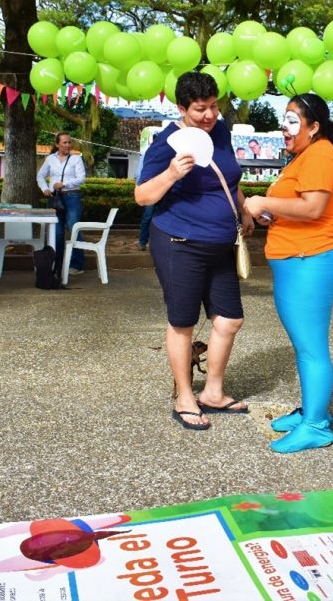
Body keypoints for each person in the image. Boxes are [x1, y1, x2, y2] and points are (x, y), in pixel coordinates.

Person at [136, 72, 253, 431]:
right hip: (178, 242)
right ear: (182, 108)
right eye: (201, 109)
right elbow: (142, 196)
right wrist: (172, 174)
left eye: (215, 106)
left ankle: (213, 392)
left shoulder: (221, 131)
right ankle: (185, 397)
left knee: (230, 319)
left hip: (221, 241)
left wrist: (243, 208)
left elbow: (229, 179)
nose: (210, 115)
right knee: (182, 322)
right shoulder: (166, 143)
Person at [243, 93, 333, 454]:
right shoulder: (305, 157)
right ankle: (310, 410)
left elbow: (314, 206)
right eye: (284, 118)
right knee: (304, 346)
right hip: (299, 262)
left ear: (314, 126)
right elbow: (301, 207)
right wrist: (272, 213)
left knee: (311, 349)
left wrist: (262, 203)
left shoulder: (321, 153)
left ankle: (317, 426)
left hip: (311, 261)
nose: (284, 127)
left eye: (293, 120)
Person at [37, 132, 87, 275]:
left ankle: (77, 265)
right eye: (64, 142)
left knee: (73, 228)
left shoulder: (76, 159)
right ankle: (57, 264)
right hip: (55, 198)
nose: (67, 145)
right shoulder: (50, 159)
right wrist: (45, 189)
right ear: (57, 144)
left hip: (72, 196)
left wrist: (63, 184)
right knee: (57, 232)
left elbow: (81, 178)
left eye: (69, 142)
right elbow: (40, 176)